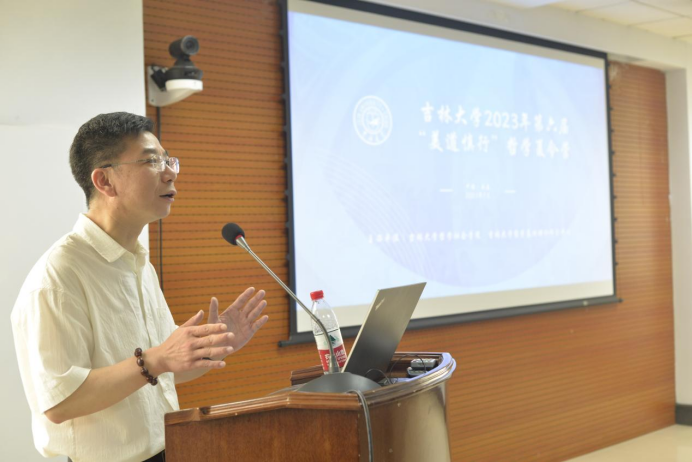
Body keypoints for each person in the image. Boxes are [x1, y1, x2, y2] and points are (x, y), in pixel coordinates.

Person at [11, 112, 269, 462]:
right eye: (151, 161)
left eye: (168, 160)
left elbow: (162, 373)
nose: (170, 172)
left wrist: (211, 348)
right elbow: (59, 401)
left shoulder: (138, 263)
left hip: (167, 450)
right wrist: (156, 359)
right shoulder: (58, 276)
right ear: (105, 181)